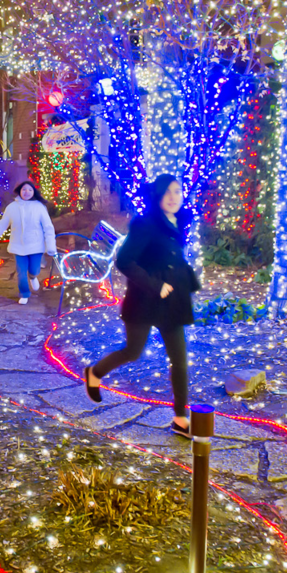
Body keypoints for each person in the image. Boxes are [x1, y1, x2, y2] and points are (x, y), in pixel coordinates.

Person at [84, 174, 200, 438]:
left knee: (179, 360)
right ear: (157, 196)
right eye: (167, 192)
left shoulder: (179, 220)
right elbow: (124, 261)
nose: (173, 197)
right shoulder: (145, 224)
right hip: (145, 298)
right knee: (133, 351)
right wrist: (155, 284)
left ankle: (180, 418)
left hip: (172, 300)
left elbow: (171, 256)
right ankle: (95, 372)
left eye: (177, 191)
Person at [0, 181, 58, 304]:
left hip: (36, 246)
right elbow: (1, 225)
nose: (26, 192)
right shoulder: (12, 208)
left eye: (30, 190)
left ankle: (33, 277)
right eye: (24, 189)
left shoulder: (39, 207)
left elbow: (48, 227)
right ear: (19, 191)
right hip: (18, 246)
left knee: (34, 269)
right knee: (21, 272)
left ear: (33, 192)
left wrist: (50, 246)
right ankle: (24, 293)